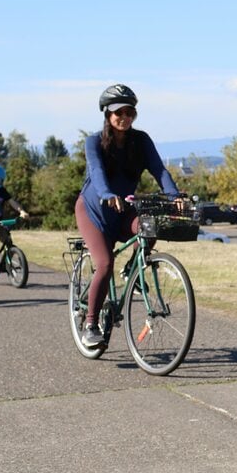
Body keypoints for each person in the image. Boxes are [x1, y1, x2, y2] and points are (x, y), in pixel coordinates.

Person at [75, 84, 181, 349]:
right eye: (118, 112)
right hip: (94, 212)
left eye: (130, 112)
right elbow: (97, 172)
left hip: (123, 211)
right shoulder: (94, 142)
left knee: (151, 225)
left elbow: (159, 170)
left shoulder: (141, 141)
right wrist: (107, 193)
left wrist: (174, 195)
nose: (124, 117)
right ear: (107, 115)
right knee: (104, 263)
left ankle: (132, 267)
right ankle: (90, 324)